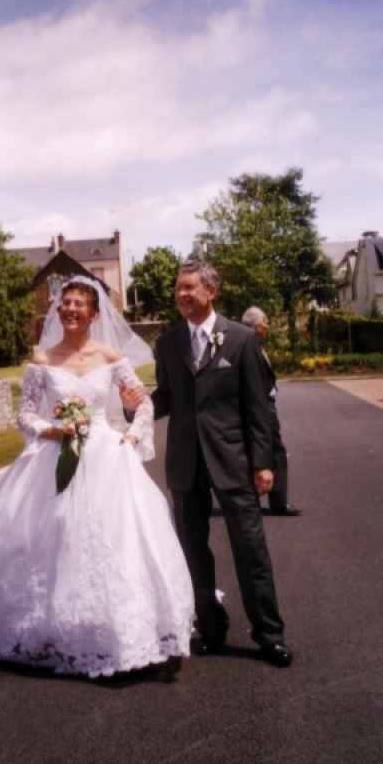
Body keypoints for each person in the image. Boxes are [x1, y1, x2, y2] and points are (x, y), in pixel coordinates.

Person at [0, 277, 194, 679]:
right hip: (55, 455)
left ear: (94, 314)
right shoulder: (42, 359)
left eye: (79, 304)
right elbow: (26, 415)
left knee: (109, 538)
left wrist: (132, 437)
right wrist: (53, 431)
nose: (70, 309)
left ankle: (112, 627)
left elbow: (144, 404)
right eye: (65, 302)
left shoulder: (111, 357)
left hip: (104, 455)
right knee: (55, 533)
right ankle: (47, 623)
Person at [128, 260, 292, 667]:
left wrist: (263, 463)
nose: (182, 294)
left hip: (234, 461)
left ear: (211, 291)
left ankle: (269, 634)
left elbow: (258, 408)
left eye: (189, 287)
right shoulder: (168, 342)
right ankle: (211, 625)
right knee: (193, 550)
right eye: (178, 289)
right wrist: (137, 405)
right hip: (185, 463)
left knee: (250, 549)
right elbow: (169, 396)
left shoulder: (242, 339)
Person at [241, 307, 301, 517]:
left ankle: (258, 502)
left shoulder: (250, 345)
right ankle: (278, 502)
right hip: (262, 408)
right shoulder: (250, 347)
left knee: (262, 451)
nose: (267, 326)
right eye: (265, 322)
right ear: (257, 326)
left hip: (263, 405)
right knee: (276, 451)